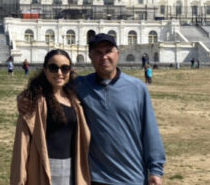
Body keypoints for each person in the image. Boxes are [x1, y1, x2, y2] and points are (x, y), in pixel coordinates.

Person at [79, 33, 165, 185]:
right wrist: (24, 97)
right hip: (95, 178)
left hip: (132, 177)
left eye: (108, 51)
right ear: (90, 57)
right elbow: (48, 89)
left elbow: (149, 129)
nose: (104, 57)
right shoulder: (80, 86)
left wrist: (156, 169)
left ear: (117, 54)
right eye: (98, 53)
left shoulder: (137, 87)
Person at [11, 49, 90, 185]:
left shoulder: (75, 99)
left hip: (73, 167)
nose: (59, 73)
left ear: (70, 71)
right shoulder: (33, 101)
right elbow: (22, 147)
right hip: (44, 167)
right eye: (54, 68)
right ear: (45, 70)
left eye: (65, 68)